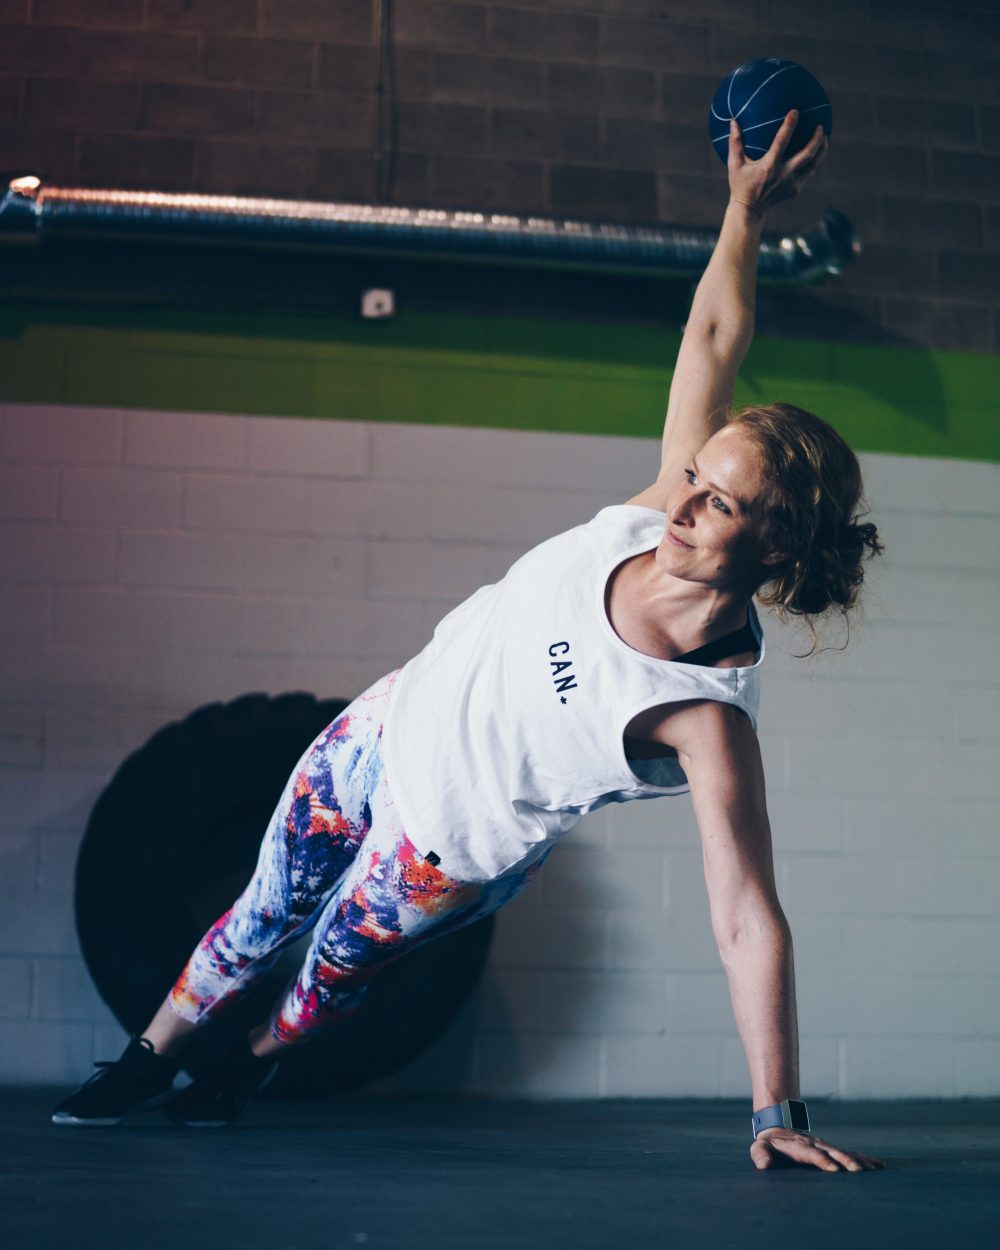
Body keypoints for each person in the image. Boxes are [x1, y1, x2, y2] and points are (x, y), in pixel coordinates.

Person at [52, 111, 885, 1172]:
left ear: (777, 546)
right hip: (383, 727)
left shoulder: (702, 716)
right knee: (258, 912)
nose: (682, 504)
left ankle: (246, 1063)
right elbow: (714, 340)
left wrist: (776, 1108)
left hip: (440, 852)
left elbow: (745, 917)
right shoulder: (649, 513)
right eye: (694, 476)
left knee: (325, 978)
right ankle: (147, 1058)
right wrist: (742, 212)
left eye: (718, 503)